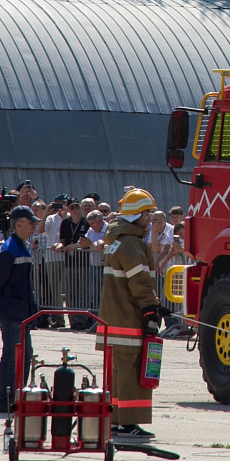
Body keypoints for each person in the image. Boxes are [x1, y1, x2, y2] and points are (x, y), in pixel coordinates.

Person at [97, 188, 162, 446]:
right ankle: (128, 423)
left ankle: (116, 421)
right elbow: (139, 282)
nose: (150, 219)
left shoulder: (118, 240)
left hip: (114, 317)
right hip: (127, 318)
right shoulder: (131, 244)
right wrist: (150, 308)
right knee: (129, 373)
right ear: (136, 215)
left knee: (117, 372)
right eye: (147, 214)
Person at [0, 206, 39, 417]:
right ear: (19, 224)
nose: (34, 226)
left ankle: (17, 395)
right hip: (11, 312)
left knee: (25, 355)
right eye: (31, 223)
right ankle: (5, 399)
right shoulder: (10, 249)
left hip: (21, 312)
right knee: (12, 355)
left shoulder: (21, 246)